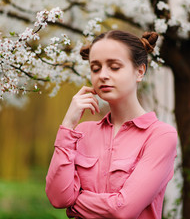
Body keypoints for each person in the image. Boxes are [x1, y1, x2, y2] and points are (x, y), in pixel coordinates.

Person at [45, 30, 178, 219]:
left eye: (114, 67)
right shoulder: (82, 132)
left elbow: (122, 210)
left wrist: (75, 203)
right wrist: (68, 125)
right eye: (95, 68)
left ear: (139, 71)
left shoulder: (160, 136)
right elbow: (58, 198)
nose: (103, 75)